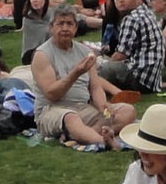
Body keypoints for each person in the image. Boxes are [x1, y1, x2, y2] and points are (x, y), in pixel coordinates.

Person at [30, 10, 130, 148]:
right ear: (51, 27)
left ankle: (84, 135)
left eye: (69, 24)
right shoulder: (42, 55)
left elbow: (95, 87)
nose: (65, 28)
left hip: (82, 107)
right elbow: (52, 94)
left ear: (76, 28)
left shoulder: (85, 52)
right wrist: (75, 73)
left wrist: (102, 105)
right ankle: (103, 141)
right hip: (53, 110)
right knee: (71, 117)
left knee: (126, 111)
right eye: (60, 24)